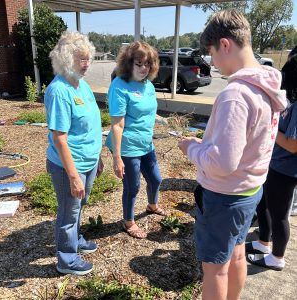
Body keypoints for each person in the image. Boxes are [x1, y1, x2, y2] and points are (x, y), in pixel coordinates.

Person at [178, 9, 287, 300]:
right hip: (250, 190)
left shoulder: (236, 94)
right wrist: (211, 141)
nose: (212, 62)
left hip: (224, 196)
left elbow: (223, 163)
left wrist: (191, 147)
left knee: (215, 269)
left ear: (225, 45)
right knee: (237, 256)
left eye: (212, 53)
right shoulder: (267, 87)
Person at [45, 31, 103, 276]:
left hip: (87, 161)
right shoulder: (59, 90)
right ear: (66, 59)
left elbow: (91, 125)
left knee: (79, 206)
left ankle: (75, 239)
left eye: (88, 58)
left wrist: (98, 157)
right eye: (81, 59)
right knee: (68, 212)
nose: (86, 63)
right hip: (69, 165)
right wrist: (73, 176)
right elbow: (60, 138)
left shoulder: (82, 85)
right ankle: (66, 258)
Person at [105, 41, 166, 239]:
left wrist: (163, 120)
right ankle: (128, 221)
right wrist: (117, 156)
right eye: (138, 64)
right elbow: (117, 124)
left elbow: (145, 111)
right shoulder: (119, 86)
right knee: (133, 186)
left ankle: (152, 205)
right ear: (128, 64)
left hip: (146, 143)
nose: (143, 68)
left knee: (155, 179)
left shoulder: (147, 85)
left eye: (147, 64)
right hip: (128, 146)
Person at [246, 46, 297, 271]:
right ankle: (263, 243)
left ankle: (277, 258)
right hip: (275, 165)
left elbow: (293, 145)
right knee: (264, 205)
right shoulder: (292, 100)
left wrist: (270, 126)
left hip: (286, 170)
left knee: (280, 216)